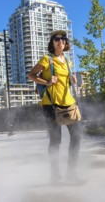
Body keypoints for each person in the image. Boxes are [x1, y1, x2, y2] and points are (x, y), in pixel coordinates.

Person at [27, 30, 83, 184]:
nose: (61, 41)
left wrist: (72, 80)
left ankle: (71, 174)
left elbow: (66, 82)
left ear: (66, 43)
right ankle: (55, 176)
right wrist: (46, 82)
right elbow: (31, 75)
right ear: (52, 43)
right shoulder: (47, 59)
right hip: (50, 105)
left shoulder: (68, 61)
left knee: (77, 137)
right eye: (57, 39)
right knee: (56, 140)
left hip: (69, 103)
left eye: (63, 39)